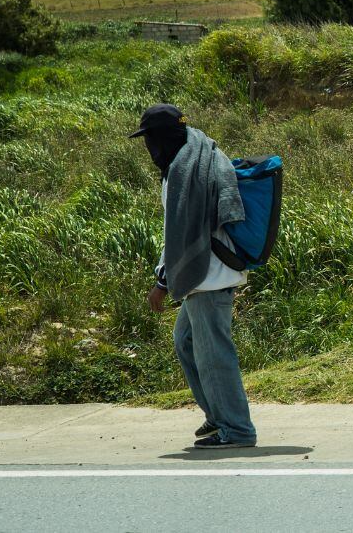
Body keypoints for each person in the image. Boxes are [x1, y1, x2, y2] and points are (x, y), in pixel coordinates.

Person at [133, 103, 257, 450]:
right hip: (210, 273)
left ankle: (237, 429)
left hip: (208, 276)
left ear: (162, 138)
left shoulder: (183, 171)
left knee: (214, 356)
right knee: (186, 341)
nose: (149, 147)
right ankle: (218, 415)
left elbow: (180, 234)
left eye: (150, 139)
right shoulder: (197, 155)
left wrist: (162, 283)